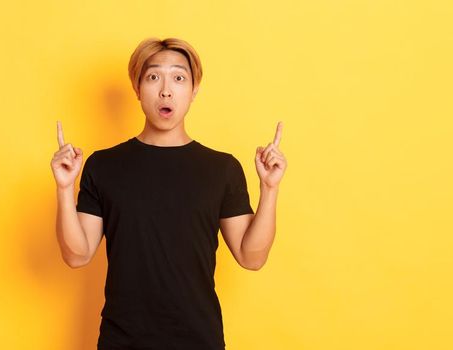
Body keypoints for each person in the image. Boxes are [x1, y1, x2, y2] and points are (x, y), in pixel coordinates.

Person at [50, 37, 287, 349]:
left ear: (194, 91)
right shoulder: (103, 166)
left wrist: (269, 188)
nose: (166, 90)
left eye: (178, 78)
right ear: (137, 88)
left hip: (199, 341)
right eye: (153, 77)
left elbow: (251, 257)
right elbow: (77, 254)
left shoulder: (222, 169)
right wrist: (65, 189)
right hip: (122, 341)